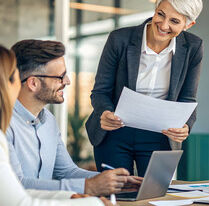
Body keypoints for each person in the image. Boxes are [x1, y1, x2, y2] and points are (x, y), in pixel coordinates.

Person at [0, 45, 110, 206]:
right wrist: (93, 203)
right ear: (5, 84)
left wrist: (71, 196)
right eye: (16, 77)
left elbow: (14, 192)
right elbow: (21, 202)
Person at [85, 0, 204, 176]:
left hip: (159, 135)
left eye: (174, 21)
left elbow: (188, 98)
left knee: (153, 195)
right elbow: (100, 91)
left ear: (188, 25)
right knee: (117, 193)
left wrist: (186, 125)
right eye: (160, 14)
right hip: (115, 131)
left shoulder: (193, 47)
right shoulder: (120, 39)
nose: (164, 25)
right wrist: (106, 112)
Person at [7, 39, 141, 196]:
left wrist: (116, 181)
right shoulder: (2, 124)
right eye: (60, 76)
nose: (67, 81)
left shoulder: (48, 120)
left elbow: (66, 172)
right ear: (33, 83)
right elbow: (16, 184)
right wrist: (89, 186)